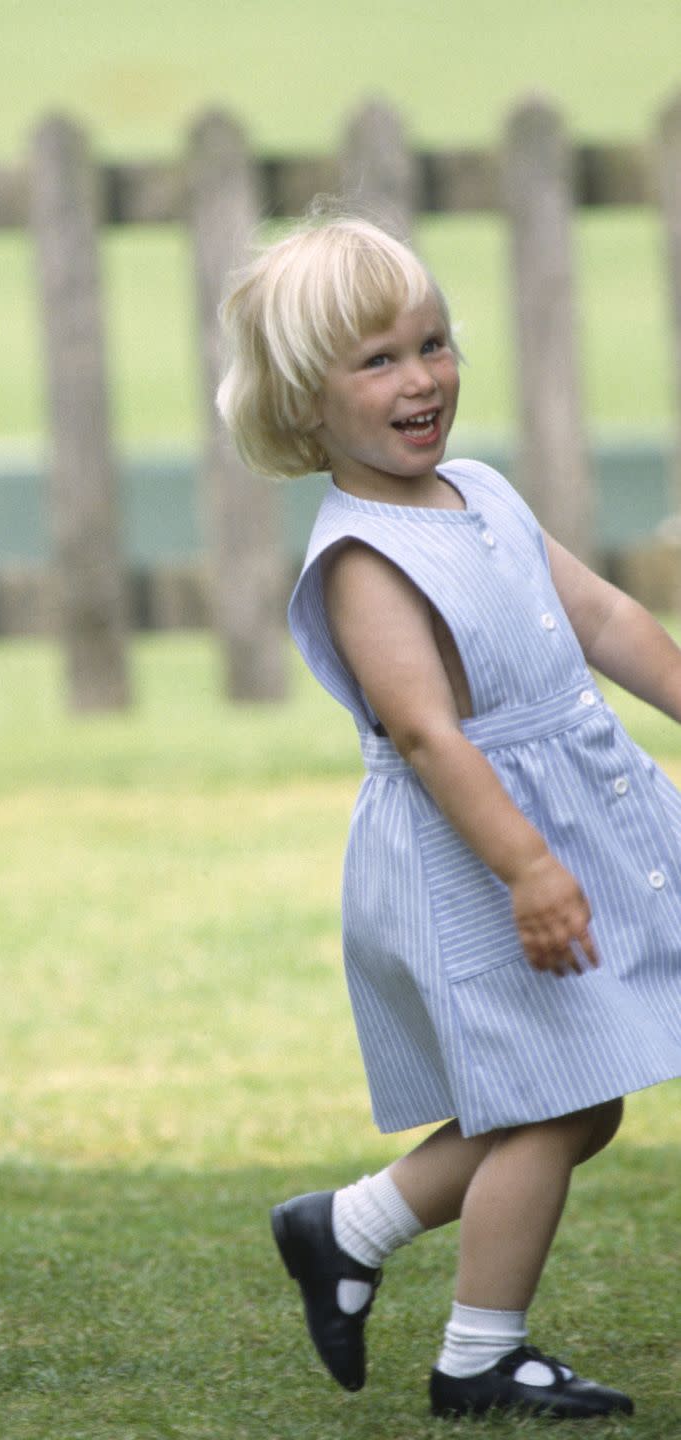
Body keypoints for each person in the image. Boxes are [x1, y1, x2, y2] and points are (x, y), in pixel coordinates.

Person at [216, 213, 681, 1420]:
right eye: (376, 360)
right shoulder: (365, 557)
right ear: (303, 403)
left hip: (572, 821)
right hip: (477, 853)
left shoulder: (480, 491)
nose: (420, 379)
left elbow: (605, 619)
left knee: (581, 1091)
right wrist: (527, 868)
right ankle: (479, 1355)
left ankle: (348, 1228)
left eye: (432, 344)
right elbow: (427, 733)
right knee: (557, 1101)